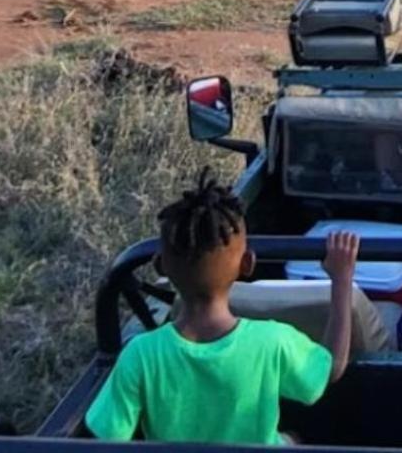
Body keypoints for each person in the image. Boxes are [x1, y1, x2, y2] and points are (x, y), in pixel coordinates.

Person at [84, 172, 361, 444]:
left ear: (160, 265)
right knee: (292, 440)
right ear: (247, 264)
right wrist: (342, 280)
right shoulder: (272, 342)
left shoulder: (139, 354)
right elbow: (331, 370)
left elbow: (108, 438)